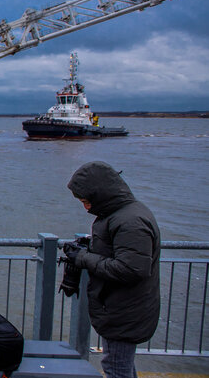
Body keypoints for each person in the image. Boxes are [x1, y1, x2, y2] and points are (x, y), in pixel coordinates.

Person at [64, 161, 160, 378]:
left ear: (101, 195)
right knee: (121, 365)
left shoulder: (131, 221)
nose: (86, 208)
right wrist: (92, 248)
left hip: (125, 311)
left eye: (87, 201)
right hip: (122, 308)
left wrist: (83, 257)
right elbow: (123, 256)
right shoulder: (123, 215)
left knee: (116, 368)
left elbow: (131, 269)